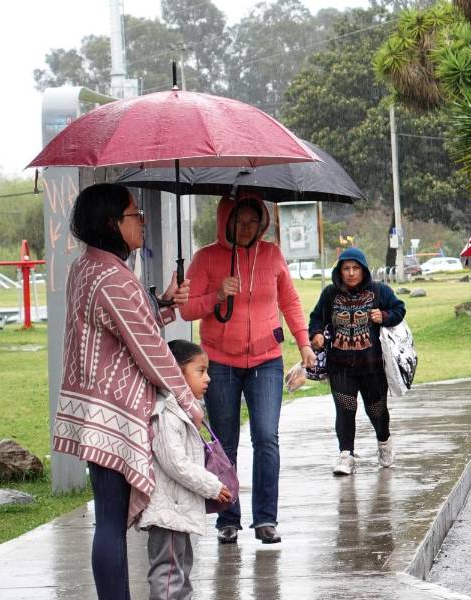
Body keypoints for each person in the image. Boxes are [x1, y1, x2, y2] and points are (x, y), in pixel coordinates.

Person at [53, 183, 201, 600]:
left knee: (108, 519)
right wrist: (189, 403)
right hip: (113, 414)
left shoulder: (86, 268)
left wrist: (165, 303)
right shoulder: (113, 278)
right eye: (135, 214)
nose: (142, 222)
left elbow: (130, 326)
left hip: (93, 409)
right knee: (111, 522)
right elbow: (151, 352)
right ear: (112, 223)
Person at [181, 191, 316, 545]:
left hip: (266, 360)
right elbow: (187, 309)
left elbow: (289, 299)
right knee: (225, 442)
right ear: (226, 220)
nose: (246, 228)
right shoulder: (207, 258)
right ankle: (228, 518)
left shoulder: (271, 254)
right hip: (220, 363)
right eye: (240, 221)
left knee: (267, 438)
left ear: (263, 223)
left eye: (254, 222)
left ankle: (266, 520)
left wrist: (303, 343)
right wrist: (217, 296)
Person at [140, 340, 234, 600]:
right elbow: (176, 463)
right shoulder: (167, 414)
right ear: (175, 372)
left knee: (180, 571)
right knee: (168, 573)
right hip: (168, 511)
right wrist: (212, 486)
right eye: (200, 371)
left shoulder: (184, 411)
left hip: (177, 509)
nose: (208, 378)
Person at [308, 247, 406, 475]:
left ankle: (384, 442)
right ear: (339, 271)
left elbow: (399, 309)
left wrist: (384, 316)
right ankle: (346, 455)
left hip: (372, 367)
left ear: (363, 270)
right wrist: (317, 334)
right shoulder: (330, 294)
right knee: (345, 409)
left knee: (377, 410)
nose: (351, 273)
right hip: (340, 366)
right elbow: (316, 318)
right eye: (346, 269)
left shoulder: (380, 291)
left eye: (355, 268)